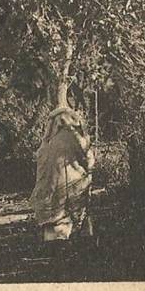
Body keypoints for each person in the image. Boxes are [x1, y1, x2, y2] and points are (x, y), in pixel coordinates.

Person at [29, 105, 95, 247]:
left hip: (53, 187)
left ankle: (56, 243)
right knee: (75, 213)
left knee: (55, 217)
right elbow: (88, 157)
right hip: (73, 183)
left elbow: (41, 164)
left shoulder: (47, 142)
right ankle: (80, 240)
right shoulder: (75, 137)